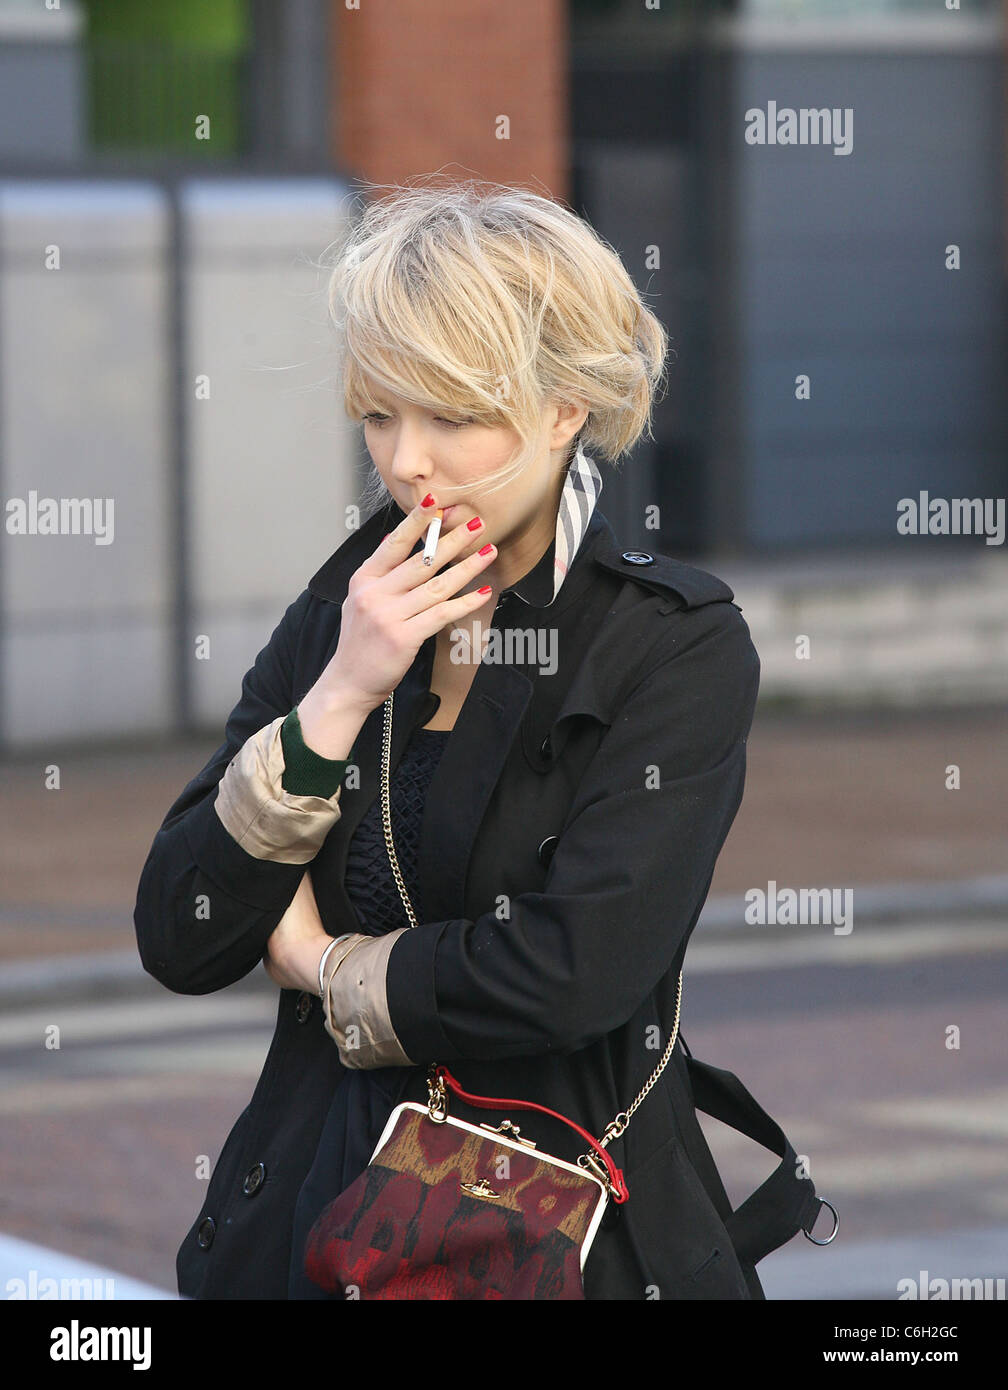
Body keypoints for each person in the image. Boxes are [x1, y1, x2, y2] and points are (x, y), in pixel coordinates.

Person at [134, 178, 825, 1301]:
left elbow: (575, 970)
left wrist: (324, 966)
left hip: (560, 1234)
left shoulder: (667, 643)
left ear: (565, 409)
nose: (406, 462)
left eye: (452, 416)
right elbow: (183, 930)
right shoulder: (340, 615)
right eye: (378, 411)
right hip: (310, 1222)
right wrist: (339, 699)